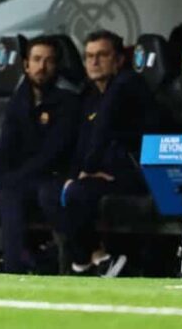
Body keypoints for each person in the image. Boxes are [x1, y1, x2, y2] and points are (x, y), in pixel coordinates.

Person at [0, 36, 81, 274]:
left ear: (57, 66)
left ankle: (16, 268)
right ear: (26, 65)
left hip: (55, 176)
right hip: (24, 178)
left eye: (49, 61)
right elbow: (5, 149)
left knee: (10, 191)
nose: (42, 67)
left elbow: (49, 157)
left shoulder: (68, 101)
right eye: (37, 59)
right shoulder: (20, 99)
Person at [61, 30, 151, 277]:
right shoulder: (90, 94)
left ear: (119, 60)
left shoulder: (127, 83)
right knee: (56, 190)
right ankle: (94, 259)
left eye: (102, 55)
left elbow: (104, 130)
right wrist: (75, 174)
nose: (94, 62)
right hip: (107, 173)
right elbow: (81, 141)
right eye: (89, 56)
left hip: (140, 173)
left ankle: (86, 262)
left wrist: (87, 170)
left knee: (77, 191)